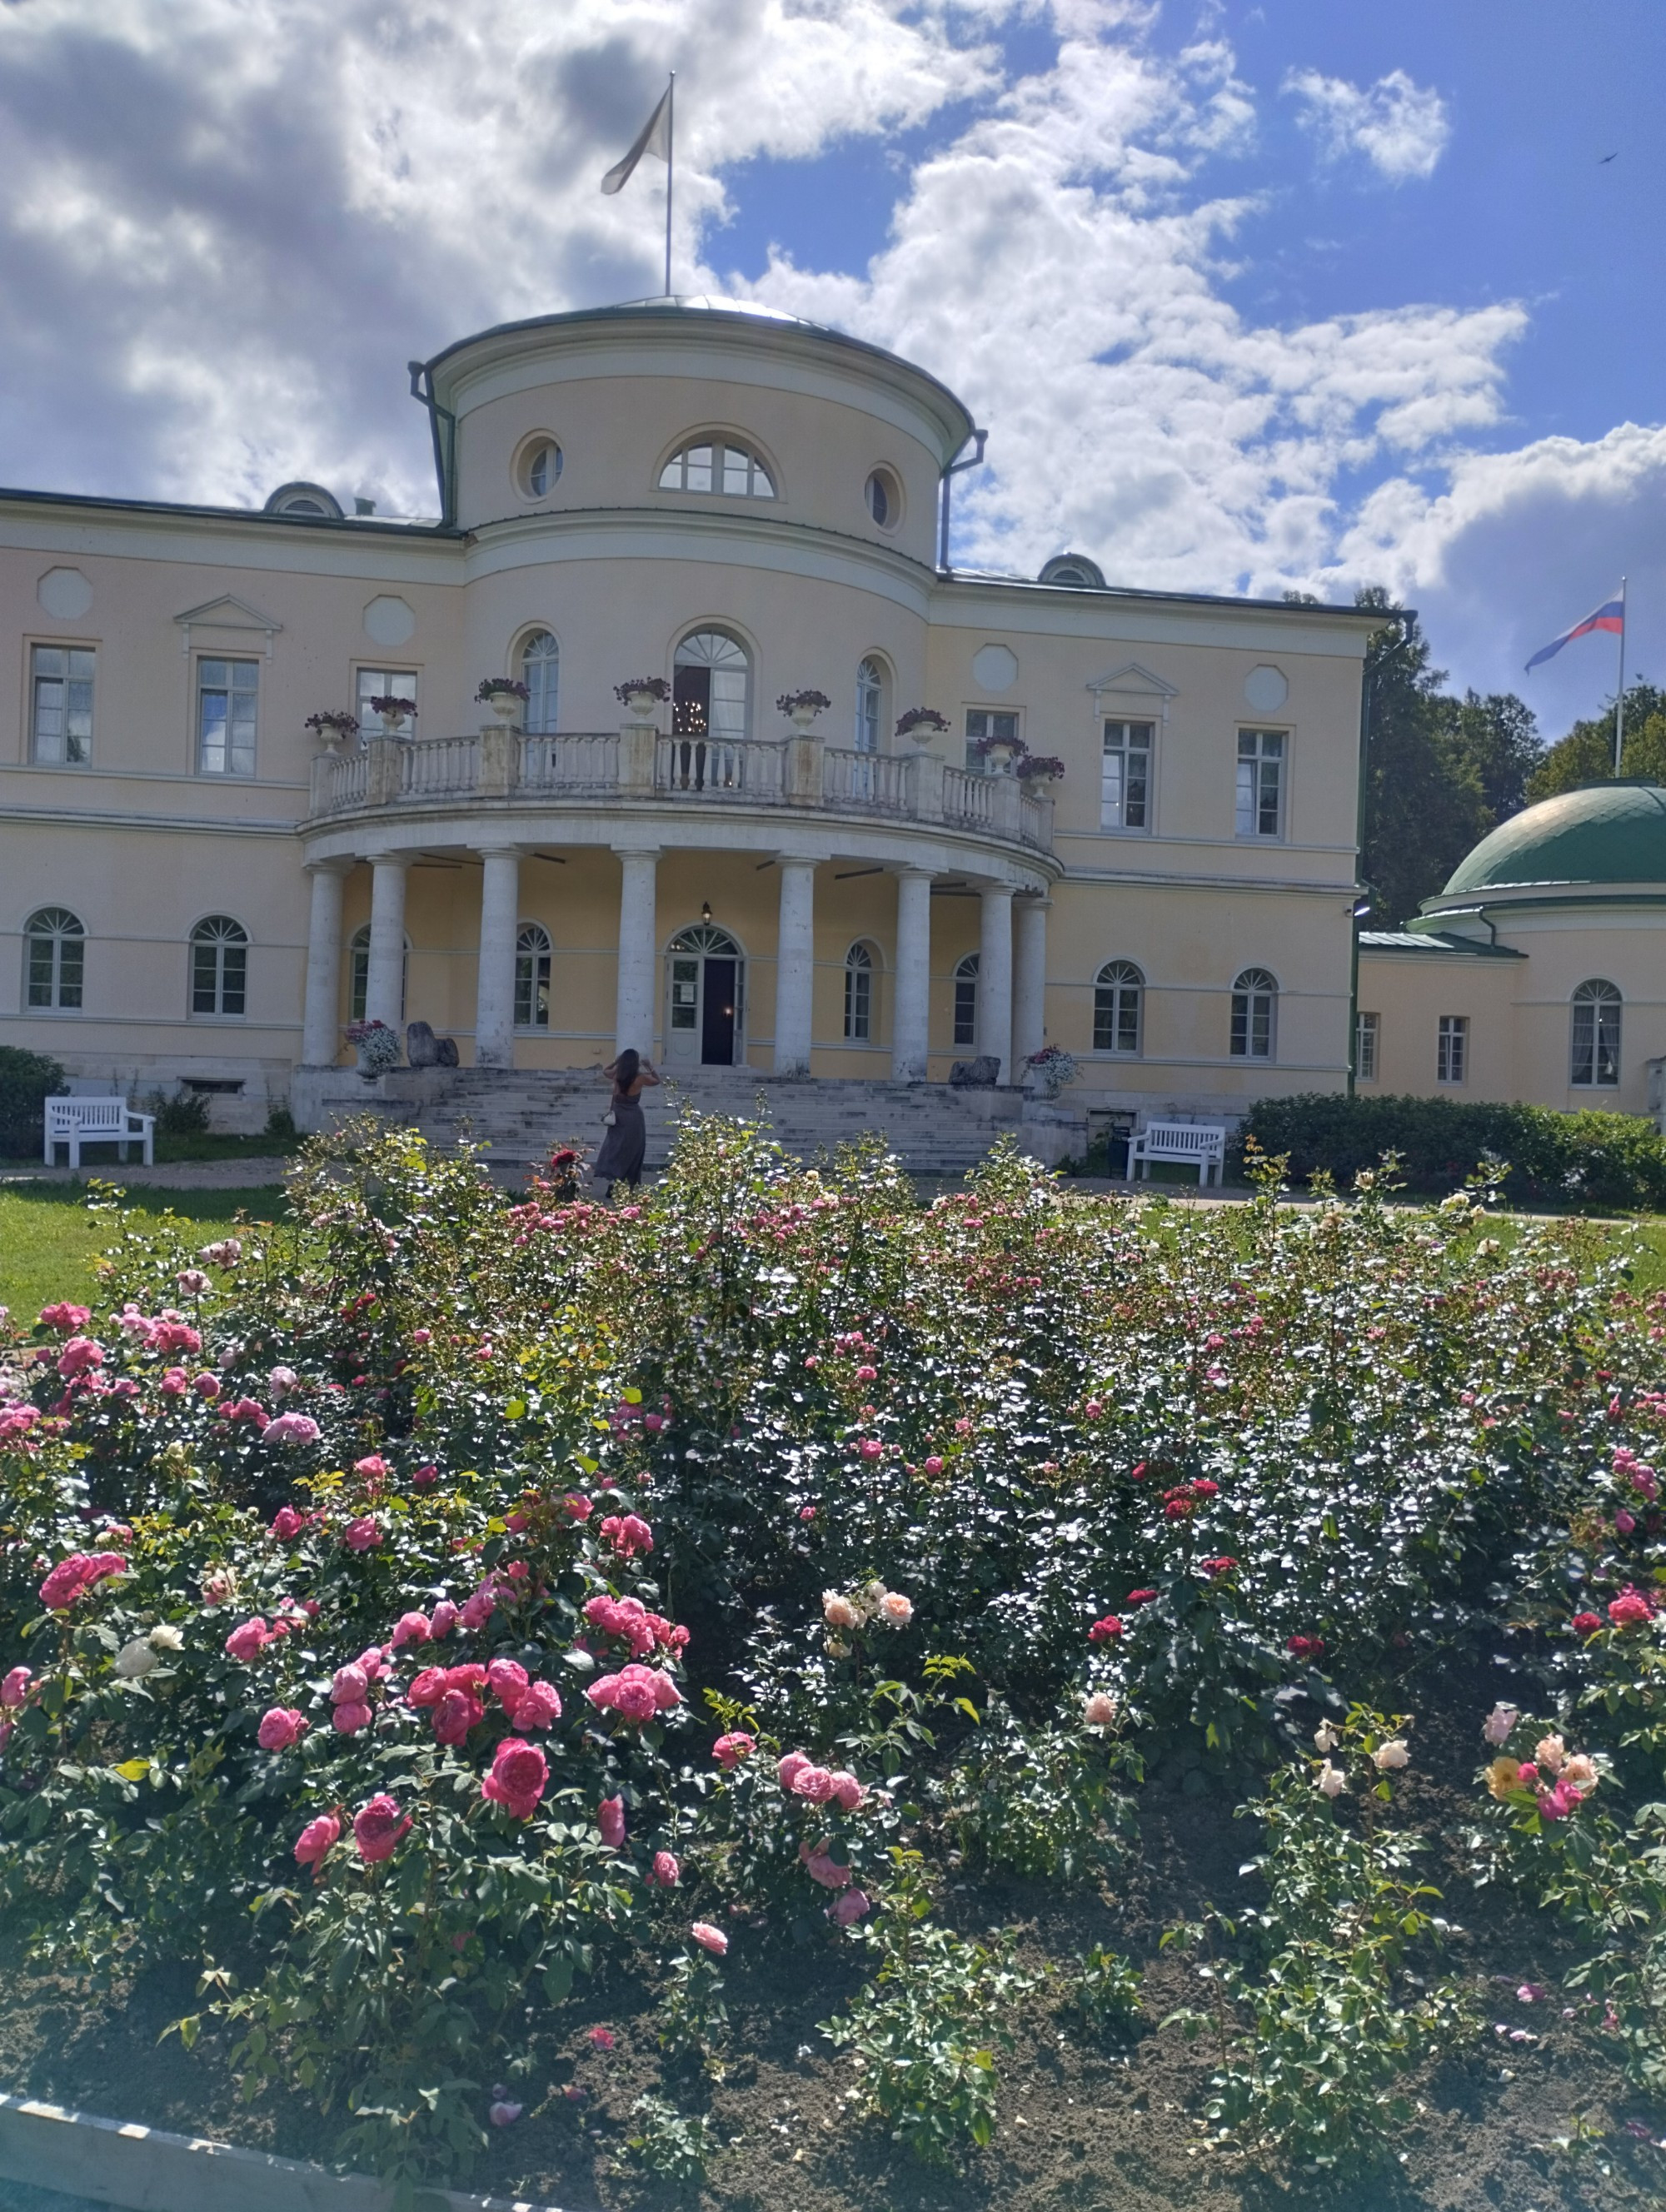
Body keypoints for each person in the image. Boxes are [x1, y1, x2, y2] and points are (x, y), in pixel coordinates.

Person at [593, 1049, 660, 1197]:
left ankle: (612, 1182)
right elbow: (657, 1081)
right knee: (633, 1150)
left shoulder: (617, 1075)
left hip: (618, 1114)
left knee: (616, 1147)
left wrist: (616, 1061)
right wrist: (650, 1067)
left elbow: (606, 1071)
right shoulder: (640, 1078)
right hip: (633, 1117)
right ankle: (631, 1187)